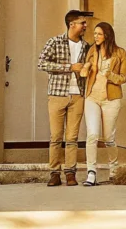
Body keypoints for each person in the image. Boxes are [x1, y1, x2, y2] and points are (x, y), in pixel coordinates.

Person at [36, 10, 90, 187]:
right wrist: (69, 67)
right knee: (56, 137)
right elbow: (42, 63)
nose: (85, 26)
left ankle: (70, 173)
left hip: (78, 95)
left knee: (72, 137)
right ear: (71, 24)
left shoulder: (86, 46)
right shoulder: (55, 41)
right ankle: (54, 173)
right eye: (82, 23)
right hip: (57, 94)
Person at [81, 22, 126, 186]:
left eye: (99, 34)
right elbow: (84, 73)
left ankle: (114, 169)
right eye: (94, 34)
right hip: (92, 97)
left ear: (107, 35)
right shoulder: (92, 51)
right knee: (92, 135)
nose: (95, 37)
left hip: (111, 99)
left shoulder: (120, 53)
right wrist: (86, 67)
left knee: (109, 138)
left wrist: (110, 75)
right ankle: (91, 173)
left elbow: (124, 77)